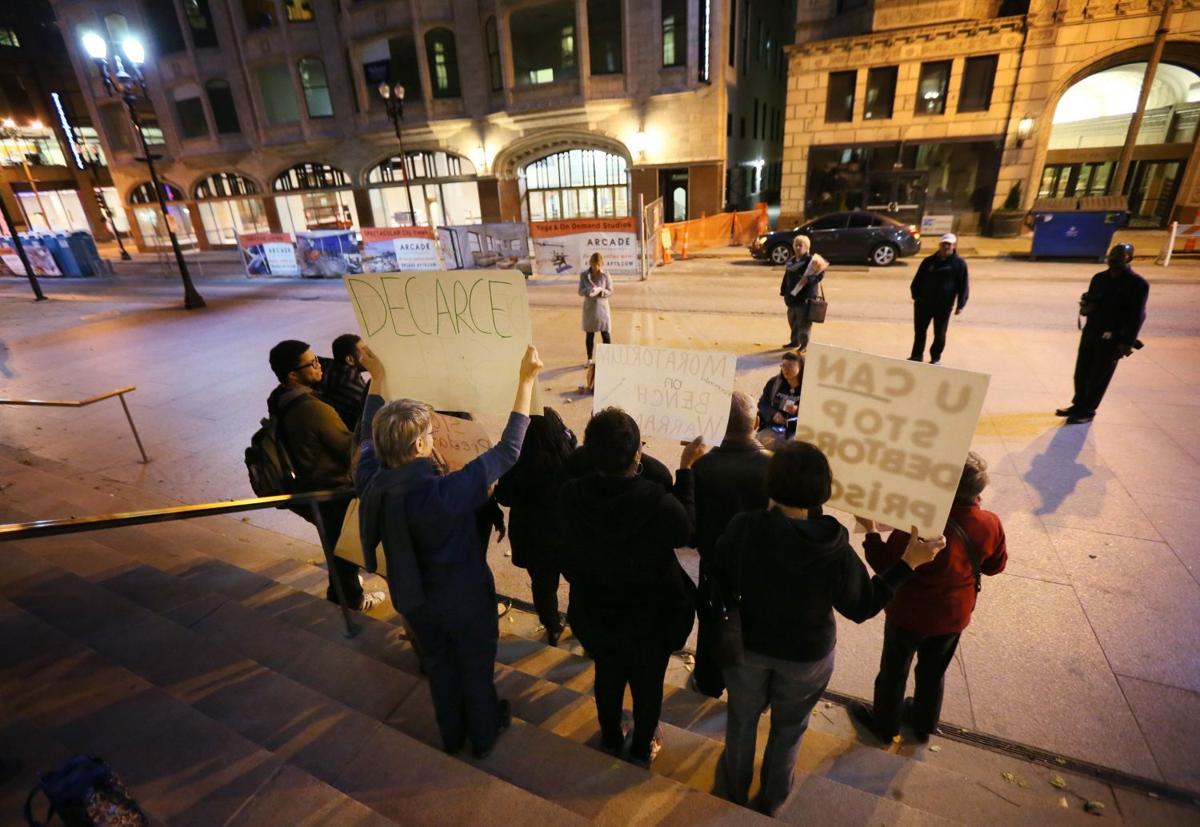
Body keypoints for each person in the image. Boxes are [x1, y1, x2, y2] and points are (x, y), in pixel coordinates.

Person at [711, 442, 944, 816]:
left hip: (747, 646)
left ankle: (734, 789)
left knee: (742, 718)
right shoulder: (832, 544)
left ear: (769, 484)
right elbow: (863, 605)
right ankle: (773, 799)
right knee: (790, 728)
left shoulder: (744, 528)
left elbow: (719, 571)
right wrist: (906, 563)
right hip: (807, 656)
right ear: (823, 490)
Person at [354, 343, 544, 759]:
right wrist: (526, 381)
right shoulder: (442, 492)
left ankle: (452, 733)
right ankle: (483, 734)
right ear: (420, 447)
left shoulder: (372, 481)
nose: (431, 438)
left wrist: (378, 381)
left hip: (414, 599)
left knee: (440, 667)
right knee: (475, 670)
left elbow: (367, 438)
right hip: (463, 599)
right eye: (427, 435)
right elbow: (508, 451)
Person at [557, 409, 707, 767]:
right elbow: (686, 529)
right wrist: (686, 470)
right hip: (648, 622)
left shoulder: (570, 494)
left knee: (606, 675)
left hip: (595, 614)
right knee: (648, 685)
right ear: (638, 455)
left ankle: (610, 736)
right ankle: (642, 746)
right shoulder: (657, 503)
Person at [849, 452, 1007, 744]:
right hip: (954, 616)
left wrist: (870, 531)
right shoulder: (990, 523)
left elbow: (887, 565)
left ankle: (885, 725)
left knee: (894, 671)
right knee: (934, 671)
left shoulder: (921, 526)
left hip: (907, 614)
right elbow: (995, 566)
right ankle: (923, 724)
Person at [267, 339, 385, 612]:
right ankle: (350, 598)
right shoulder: (313, 410)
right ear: (293, 375)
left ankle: (344, 592)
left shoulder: (279, 397)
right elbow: (351, 449)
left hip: (310, 484)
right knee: (343, 546)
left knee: (338, 545)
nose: (320, 366)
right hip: (330, 488)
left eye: (317, 359)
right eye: (312, 364)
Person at [690, 391, 772, 697]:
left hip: (715, 568)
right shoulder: (775, 467)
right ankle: (750, 693)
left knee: (711, 629)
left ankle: (708, 682)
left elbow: (691, 526)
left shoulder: (702, 467)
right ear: (757, 422)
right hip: (761, 571)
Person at [494, 407, 577, 645]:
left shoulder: (516, 462)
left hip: (533, 539)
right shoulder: (569, 459)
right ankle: (577, 624)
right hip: (567, 536)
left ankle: (552, 626)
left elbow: (505, 497)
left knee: (543, 586)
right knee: (578, 582)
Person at [1056, 242, 1149, 424]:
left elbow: (1138, 315)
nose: (1113, 258)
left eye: (1119, 254)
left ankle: (1088, 410)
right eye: (1111, 254)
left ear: (1129, 258)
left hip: (1113, 337)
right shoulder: (1099, 278)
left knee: (1098, 375)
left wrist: (1127, 342)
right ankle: (1078, 404)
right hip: (1092, 331)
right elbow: (1090, 301)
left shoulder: (1137, 284)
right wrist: (1086, 307)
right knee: (1082, 371)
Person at [909, 233, 969, 365]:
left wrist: (960, 305)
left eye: (949, 244)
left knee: (940, 334)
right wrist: (916, 296)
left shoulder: (959, 265)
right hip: (923, 304)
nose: (946, 246)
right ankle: (916, 355)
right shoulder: (928, 261)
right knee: (920, 331)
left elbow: (963, 286)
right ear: (940, 245)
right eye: (944, 244)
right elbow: (917, 280)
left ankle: (935, 357)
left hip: (943, 306)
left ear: (954, 246)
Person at [779, 237, 826, 351]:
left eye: (801, 245)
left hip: (804, 298)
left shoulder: (812, 261)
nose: (797, 247)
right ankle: (794, 341)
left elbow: (820, 274)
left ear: (807, 247)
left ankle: (804, 345)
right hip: (791, 297)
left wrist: (809, 279)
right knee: (793, 321)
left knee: (803, 323)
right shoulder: (792, 261)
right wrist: (783, 290)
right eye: (796, 245)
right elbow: (787, 277)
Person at [319, 333, 370, 431]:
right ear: (350, 360)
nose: (370, 353)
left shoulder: (334, 370)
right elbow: (375, 409)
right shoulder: (349, 383)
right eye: (364, 351)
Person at [756, 351, 804, 450]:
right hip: (775, 428)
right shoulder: (774, 383)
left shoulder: (808, 387)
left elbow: (816, 410)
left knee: (794, 448)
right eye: (783, 365)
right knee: (760, 439)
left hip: (799, 430)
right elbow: (763, 404)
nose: (785, 369)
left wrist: (798, 410)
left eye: (790, 365)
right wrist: (773, 414)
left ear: (801, 367)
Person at [579, 252, 613, 364]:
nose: (596, 267)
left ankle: (608, 359)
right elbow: (580, 291)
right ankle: (589, 359)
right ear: (590, 263)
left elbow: (610, 290)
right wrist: (589, 291)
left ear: (601, 264)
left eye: (598, 265)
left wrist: (601, 291)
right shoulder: (584, 275)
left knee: (605, 334)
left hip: (602, 308)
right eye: (594, 265)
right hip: (590, 309)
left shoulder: (605, 275)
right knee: (590, 335)